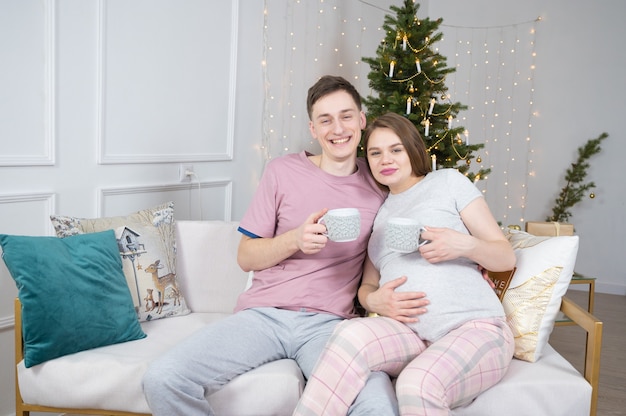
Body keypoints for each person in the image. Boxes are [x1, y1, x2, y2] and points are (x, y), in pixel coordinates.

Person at [142, 77, 428, 415]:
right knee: (164, 378)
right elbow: (246, 257)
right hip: (264, 316)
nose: (338, 128)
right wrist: (295, 240)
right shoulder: (281, 171)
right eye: (325, 119)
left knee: (377, 406)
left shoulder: (380, 181)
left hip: (332, 326)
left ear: (362, 121)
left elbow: (420, 212)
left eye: (346, 116)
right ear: (313, 129)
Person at [293, 112, 516, 416]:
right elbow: (367, 287)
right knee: (349, 335)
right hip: (410, 336)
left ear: (412, 149)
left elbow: (506, 256)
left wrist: (463, 244)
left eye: (395, 149)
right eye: (375, 152)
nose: (386, 159)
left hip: (475, 328)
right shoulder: (378, 214)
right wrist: (375, 300)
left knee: (416, 383)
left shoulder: (447, 182)